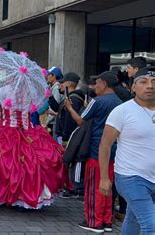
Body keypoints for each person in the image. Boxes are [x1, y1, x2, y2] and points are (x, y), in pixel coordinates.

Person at [0, 50, 64, 209]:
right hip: (29, 131)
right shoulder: (31, 91)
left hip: (6, 131)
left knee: (1, 161)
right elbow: (37, 108)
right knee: (30, 163)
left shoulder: (2, 90)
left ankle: (5, 194)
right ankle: (24, 195)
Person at [99, 66, 155, 234]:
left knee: (134, 219)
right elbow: (105, 145)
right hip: (130, 177)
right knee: (151, 224)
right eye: (144, 82)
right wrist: (104, 178)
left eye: (154, 82)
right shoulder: (122, 111)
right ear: (133, 87)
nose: (150, 86)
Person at [65, 71, 122, 233]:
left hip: (96, 149)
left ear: (103, 83)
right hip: (114, 150)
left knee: (94, 187)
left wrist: (69, 108)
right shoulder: (119, 102)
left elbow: (80, 120)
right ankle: (106, 221)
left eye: (97, 83)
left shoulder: (97, 101)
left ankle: (94, 222)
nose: (94, 86)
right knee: (107, 187)